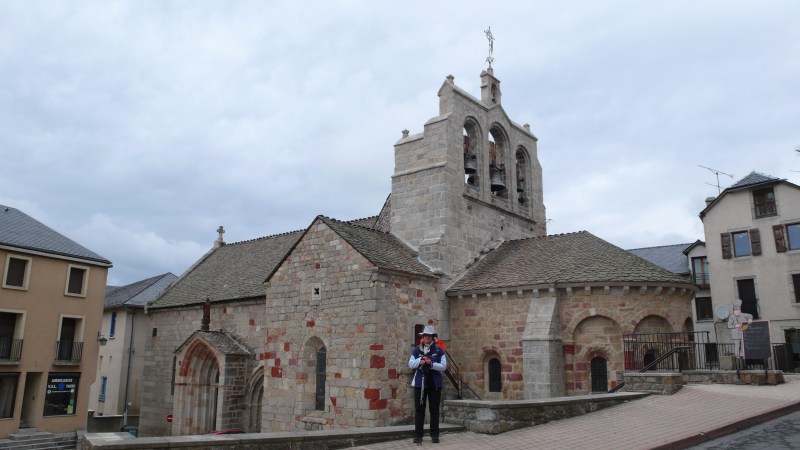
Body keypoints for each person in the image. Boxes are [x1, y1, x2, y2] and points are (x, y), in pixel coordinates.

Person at [408, 325, 447, 445]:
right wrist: (420, 361)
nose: (427, 337)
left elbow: (443, 366)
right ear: (423, 337)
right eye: (425, 335)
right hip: (420, 384)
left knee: (434, 410)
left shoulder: (439, 350)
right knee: (419, 410)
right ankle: (418, 435)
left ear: (433, 337)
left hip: (434, 384)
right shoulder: (417, 349)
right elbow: (410, 364)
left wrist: (431, 364)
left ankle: (434, 435)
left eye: (430, 336)